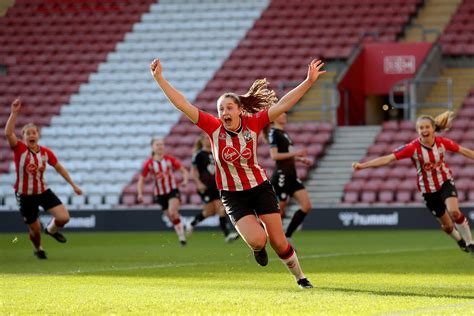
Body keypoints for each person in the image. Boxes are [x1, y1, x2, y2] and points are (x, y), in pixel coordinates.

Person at [150, 57, 326, 289]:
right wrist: (160, 79)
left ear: (240, 110)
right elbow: (183, 104)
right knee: (258, 240)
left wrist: (308, 82)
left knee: (280, 242)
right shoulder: (213, 127)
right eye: (221, 108)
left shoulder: (253, 124)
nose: (224, 111)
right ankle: (258, 248)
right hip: (233, 196)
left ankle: (301, 278)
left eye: (229, 107)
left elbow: (283, 104)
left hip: (259, 188)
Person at [352, 112, 474, 256]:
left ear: (433, 128)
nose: (424, 130)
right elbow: (388, 159)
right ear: (418, 131)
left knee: (454, 211)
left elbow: (464, 151)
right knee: (447, 227)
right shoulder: (413, 148)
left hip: (445, 182)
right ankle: (460, 241)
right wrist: (363, 166)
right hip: (428, 191)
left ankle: (470, 243)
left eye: (427, 127)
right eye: (421, 128)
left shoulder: (442, 143)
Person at [4, 98, 83, 259]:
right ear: (23, 136)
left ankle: (51, 230)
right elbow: (8, 133)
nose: (31, 135)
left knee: (64, 217)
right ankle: (38, 247)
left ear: (38, 135)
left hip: (42, 191)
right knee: (34, 230)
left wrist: (73, 185)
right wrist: (14, 113)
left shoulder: (46, 152)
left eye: (34, 132)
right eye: (28, 133)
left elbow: (59, 168)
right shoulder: (19, 149)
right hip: (25, 195)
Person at [264, 112, 313, 240]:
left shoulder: (284, 133)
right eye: (281, 114)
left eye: (285, 114)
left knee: (306, 206)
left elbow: (286, 155)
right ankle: (262, 233)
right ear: (274, 118)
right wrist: (296, 153)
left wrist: (300, 159)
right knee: (278, 211)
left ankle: (288, 236)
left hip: (291, 175)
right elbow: (274, 156)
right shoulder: (273, 133)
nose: (284, 116)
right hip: (282, 176)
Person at [187, 133, 239, 242]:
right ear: (201, 141)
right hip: (205, 187)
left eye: (209, 138)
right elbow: (193, 171)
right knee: (209, 212)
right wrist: (198, 183)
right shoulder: (198, 154)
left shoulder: (215, 152)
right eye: (206, 138)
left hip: (217, 185)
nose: (208, 140)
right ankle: (192, 223)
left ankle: (227, 235)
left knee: (220, 209)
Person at [137, 137, 189, 246]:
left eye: (161, 144)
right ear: (152, 147)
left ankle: (182, 238)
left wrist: (185, 180)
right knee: (171, 217)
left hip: (172, 190)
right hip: (159, 193)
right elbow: (141, 180)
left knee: (172, 212)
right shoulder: (149, 164)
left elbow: (184, 171)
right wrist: (140, 193)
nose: (160, 147)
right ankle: (181, 231)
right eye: (157, 145)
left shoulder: (169, 159)